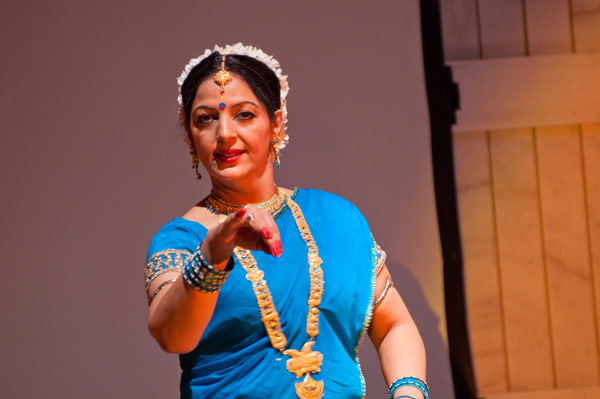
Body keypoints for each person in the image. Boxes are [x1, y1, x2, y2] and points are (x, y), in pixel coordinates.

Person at [145, 43, 427, 399]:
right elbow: (172, 335)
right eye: (206, 118)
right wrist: (213, 253)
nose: (225, 134)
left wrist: (408, 392)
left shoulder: (335, 218)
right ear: (190, 136)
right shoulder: (182, 240)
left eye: (244, 114)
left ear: (276, 123)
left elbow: (394, 326)